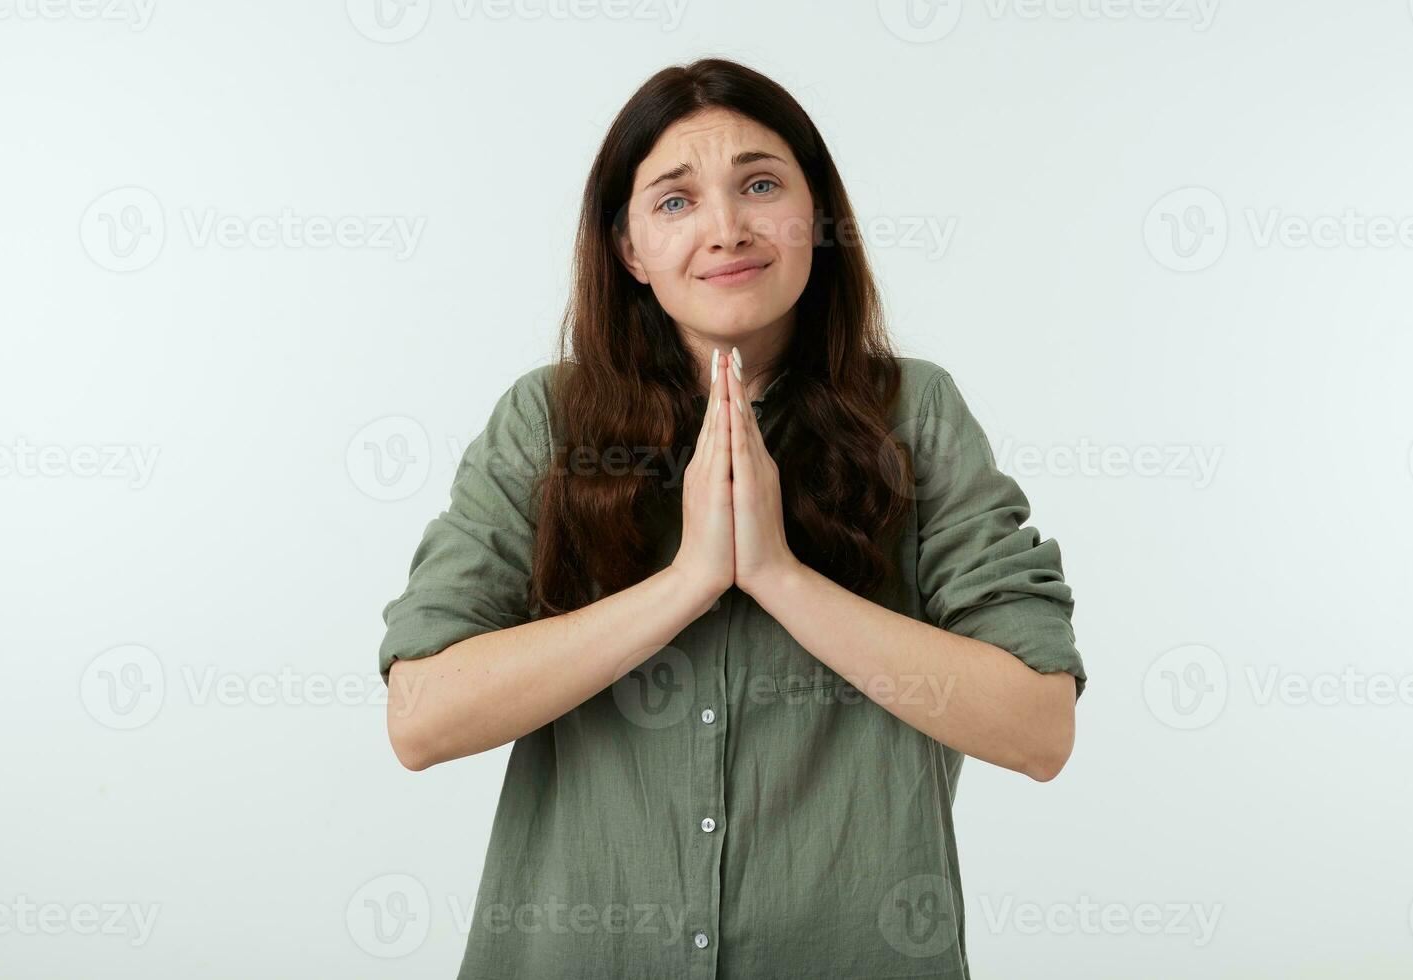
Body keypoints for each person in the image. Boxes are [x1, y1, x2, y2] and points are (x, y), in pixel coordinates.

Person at [378, 56, 1087, 980]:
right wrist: (688, 581)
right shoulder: (545, 422)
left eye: (759, 184)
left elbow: (1037, 727)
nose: (725, 229)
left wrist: (780, 576)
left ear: (817, 216)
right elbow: (421, 719)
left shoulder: (915, 415)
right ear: (628, 248)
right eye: (675, 200)